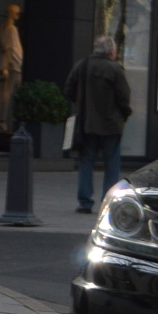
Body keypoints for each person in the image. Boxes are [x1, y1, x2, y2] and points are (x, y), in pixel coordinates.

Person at [64, 34, 132, 214]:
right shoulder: (115, 69)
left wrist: (81, 104)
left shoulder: (82, 65)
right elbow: (124, 97)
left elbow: (69, 89)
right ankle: (108, 202)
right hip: (111, 124)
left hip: (87, 123)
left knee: (86, 162)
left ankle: (85, 202)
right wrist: (124, 114)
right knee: (112, 164)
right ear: (111, 51)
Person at [0, 3, 23, 129]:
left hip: (10, 63)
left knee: (9, 91)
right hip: (13, 64)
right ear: (11, 13)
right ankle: (4, 120)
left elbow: (4, 47)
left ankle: (5, 120)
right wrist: (6, 66)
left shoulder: (3, 28)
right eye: (17, 13)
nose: (18, 15)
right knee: (10, 92)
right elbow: (10, 48)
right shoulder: (12, 29)